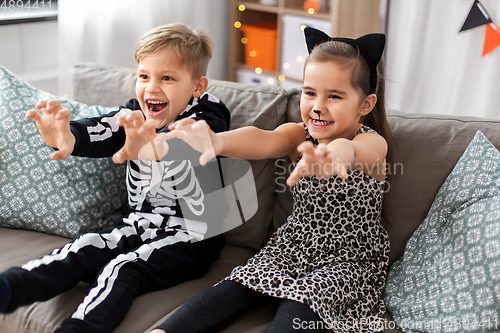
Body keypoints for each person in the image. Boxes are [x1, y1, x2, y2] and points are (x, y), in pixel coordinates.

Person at [149, 27, 395, 333]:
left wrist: (337, 155)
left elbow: (356, 151)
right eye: (310, 93)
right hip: (293, 246)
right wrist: (218, 142)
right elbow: (263, 139)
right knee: (237, 285)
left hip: (348, 260)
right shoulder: (299, 134)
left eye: (334, 96)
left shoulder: (372, 143)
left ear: (365, 105)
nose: (318, 105)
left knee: (303, 302)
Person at [0, 23, 230, 333]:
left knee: (123, 268)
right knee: (81, 248)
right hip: (141, 222)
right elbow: (102, 128)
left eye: (167, 78)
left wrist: (153, 146)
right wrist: (68, 137)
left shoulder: (208, 112)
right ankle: (9, 288)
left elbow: (192, 142)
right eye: (144, 76)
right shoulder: (136, 112)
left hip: (193, 234)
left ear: (197, 86)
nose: (151, 87)